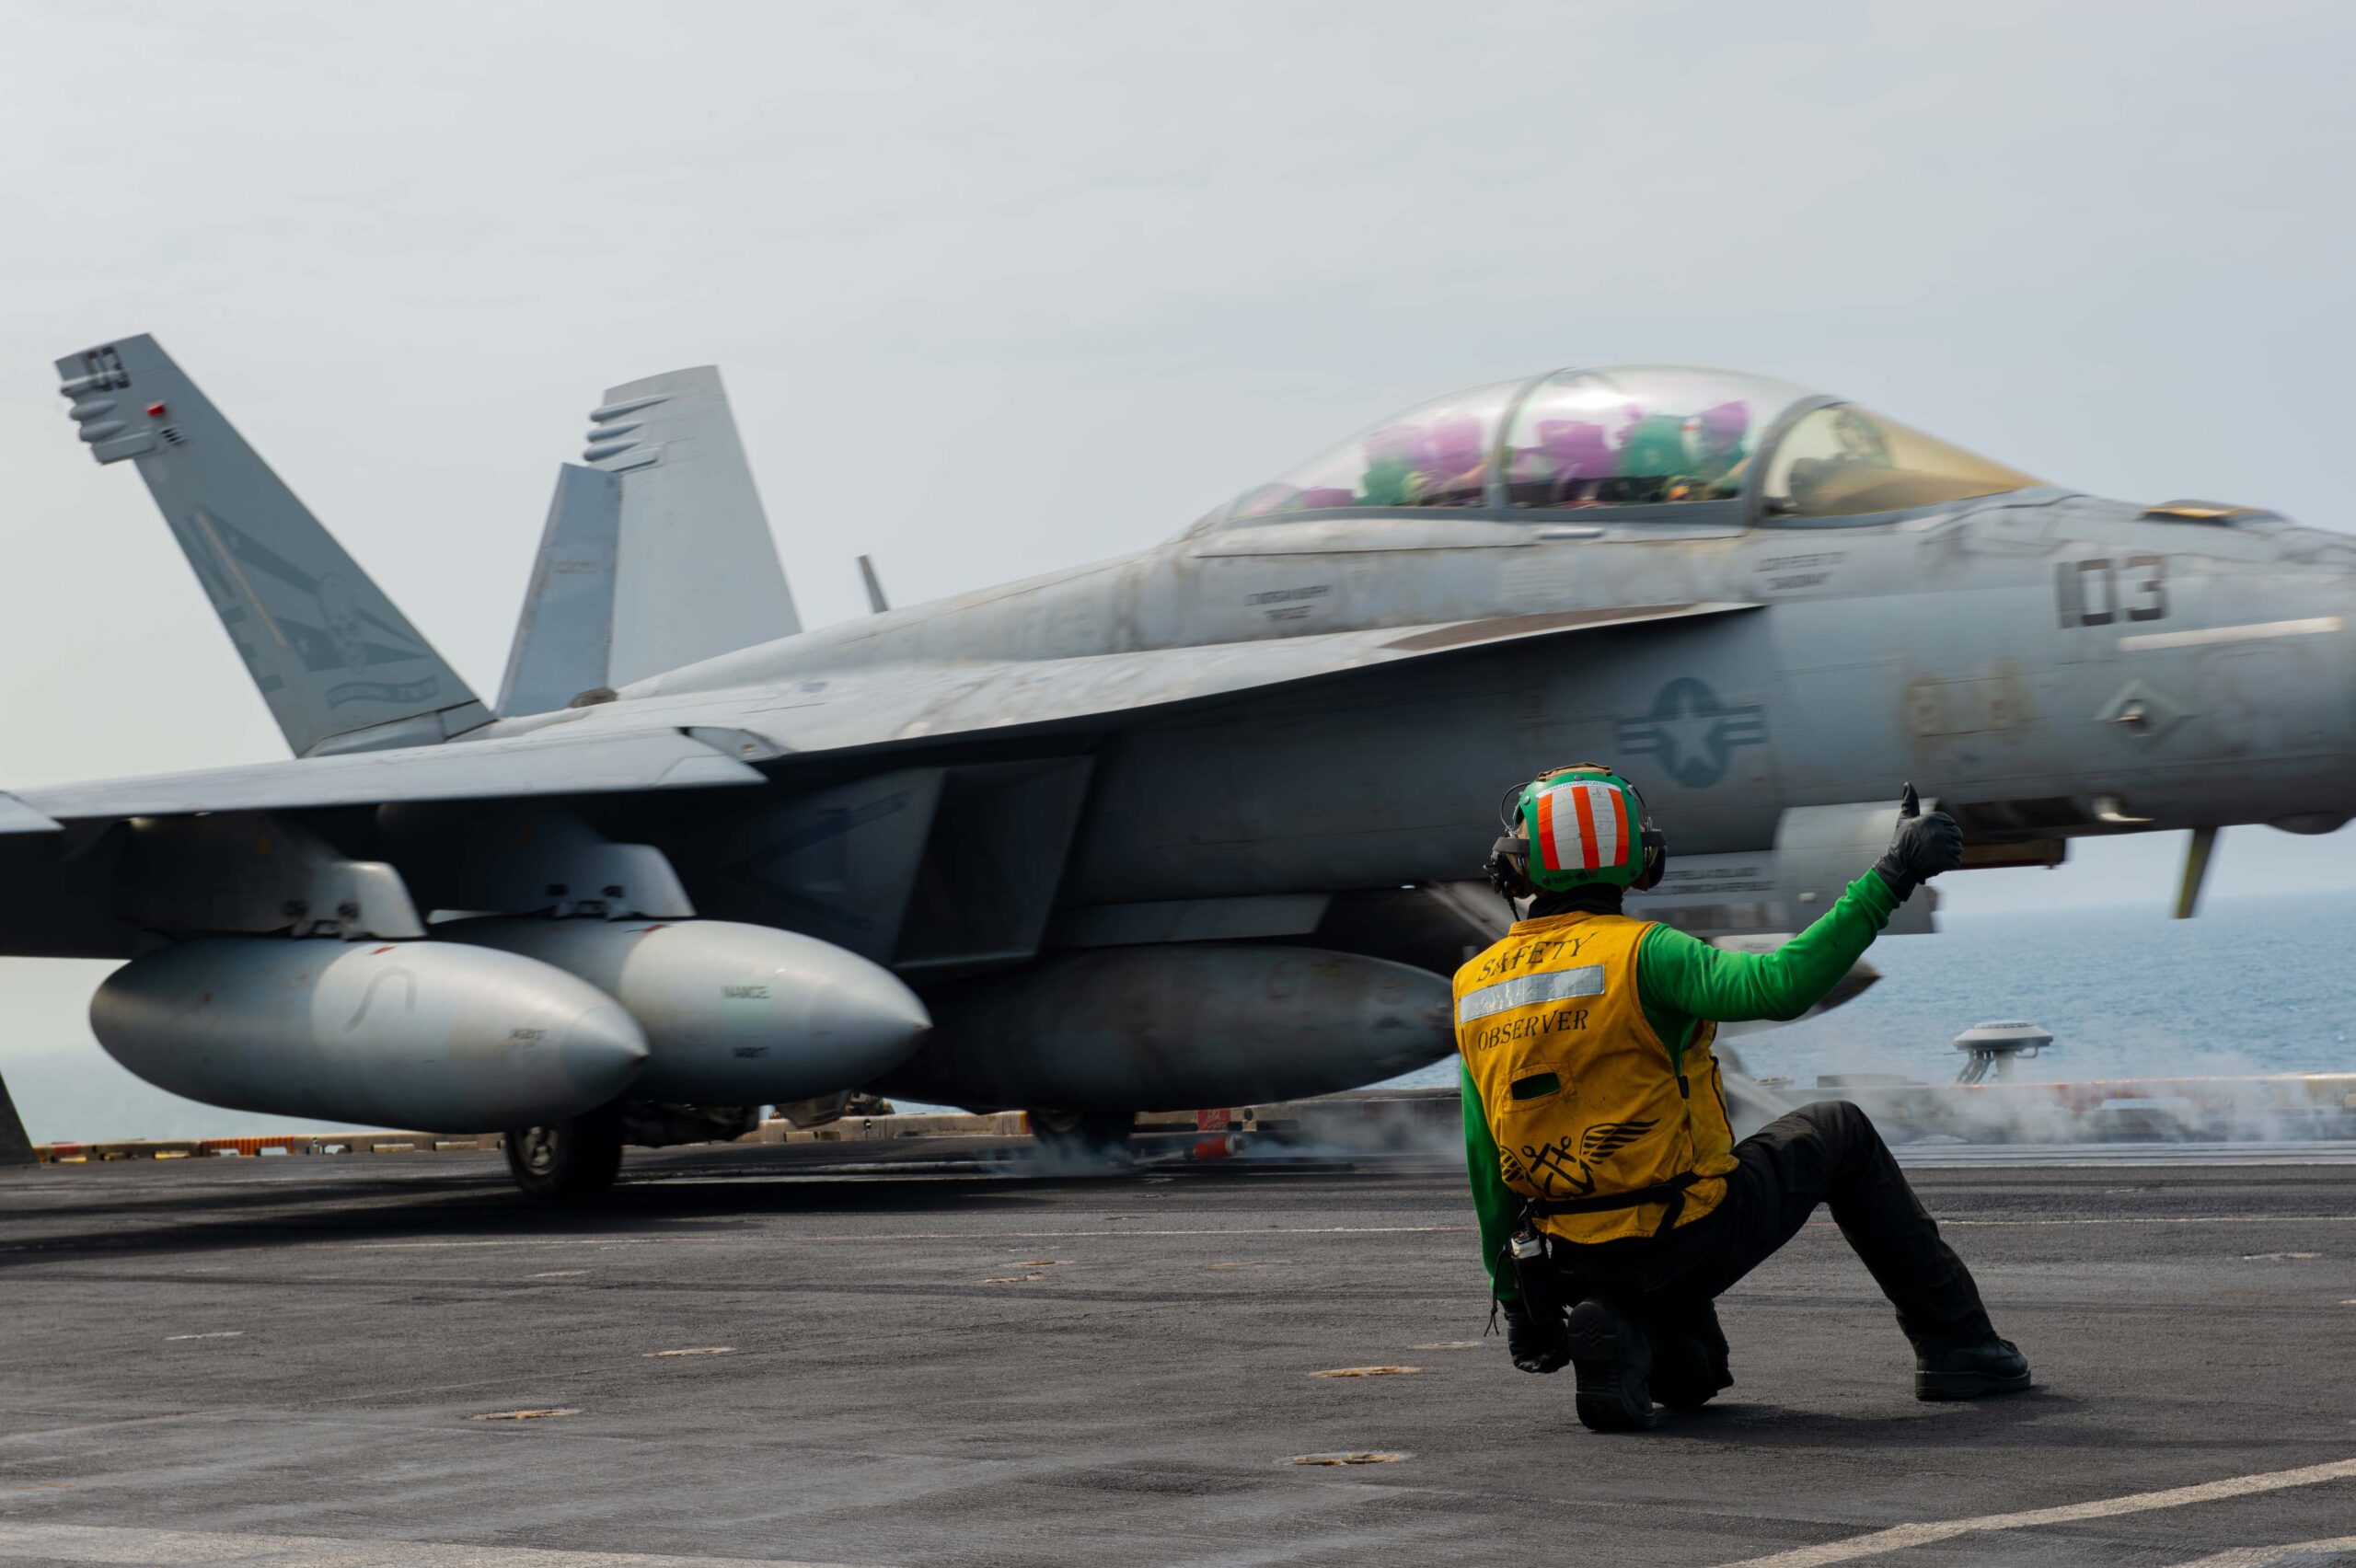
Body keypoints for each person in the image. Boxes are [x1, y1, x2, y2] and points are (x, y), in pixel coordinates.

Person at [1455, 763, 2029, 1432]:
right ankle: (1959, 1347)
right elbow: (1779, 985)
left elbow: (1484, 1160)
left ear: (1515, 868)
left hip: (1566, 1260)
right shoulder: (1649, 954)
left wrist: (1519, 1302)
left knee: (1694, 1379)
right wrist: (1893, 874)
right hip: (1678, 1236)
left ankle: (1620, 1328)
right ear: (1643, 860)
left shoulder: (1473, 986)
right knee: (1838, 1128)